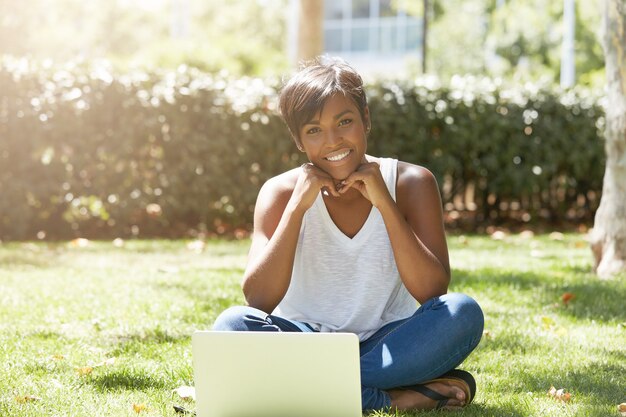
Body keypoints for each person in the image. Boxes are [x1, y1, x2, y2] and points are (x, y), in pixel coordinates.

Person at [213, 57, 484, 412]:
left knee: (463, 312)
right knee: (231, 324)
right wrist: (297, 208)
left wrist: (383, 201)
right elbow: (258, 299)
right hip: (304, 341)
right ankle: (397, 398)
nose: (333, 140)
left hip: (389, 343)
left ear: (365, 119)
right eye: (314, 130)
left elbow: (433, 292)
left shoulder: (411, 182)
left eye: (344, 122)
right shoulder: (279, 193)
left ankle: (297, 387)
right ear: (298, 140)